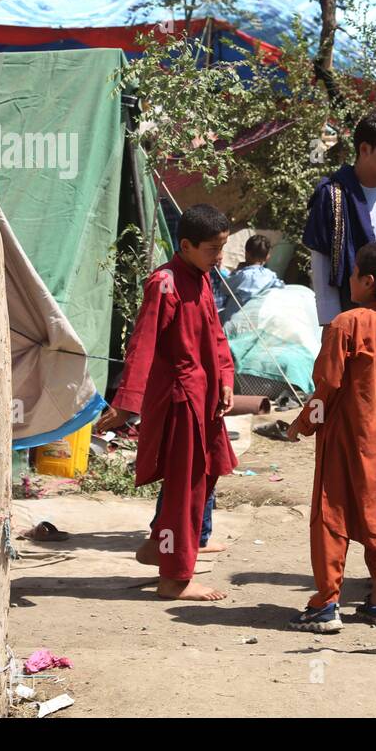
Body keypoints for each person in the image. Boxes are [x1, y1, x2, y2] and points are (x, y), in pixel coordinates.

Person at [96, 204, 238, 602]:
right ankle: (175, 579)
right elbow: (142, 344)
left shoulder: (202, 277)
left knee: (205, 478)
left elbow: (216, 336)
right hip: (181, 401)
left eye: (222, 247)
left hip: (206, 398)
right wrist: (127, 403)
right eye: (213, 249)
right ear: (187, 245)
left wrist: (226, 378)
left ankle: (158, 545)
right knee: (186, 489)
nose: (219, 256)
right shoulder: (165, 283)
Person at [284, 243, 376, 632]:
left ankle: (326, 603)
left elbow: (327, 384)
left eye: (355, 272)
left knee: (331, 513)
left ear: (368, 281)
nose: (349, 279)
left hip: (346, 434)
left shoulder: (347, 324)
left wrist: (302, 424)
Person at [303, 112, 376, 326]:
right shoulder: (332, 196)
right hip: (351, 311)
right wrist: (331, 321)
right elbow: (322, 262)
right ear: (364, 149)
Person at [219, 234, 284, 322]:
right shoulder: (271, 276)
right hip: (256, 324)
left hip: (232, 324)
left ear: (246, 253)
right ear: (267, 256)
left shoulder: (243, 275)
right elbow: (281, 289)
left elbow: (224, 288)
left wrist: (236, 271)